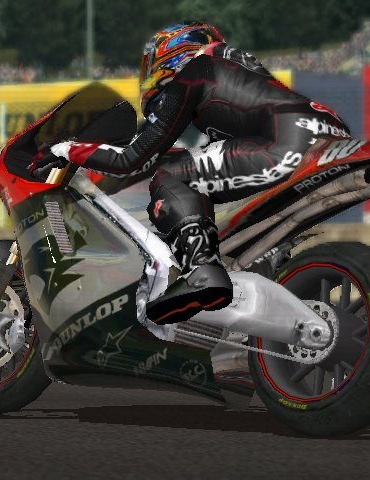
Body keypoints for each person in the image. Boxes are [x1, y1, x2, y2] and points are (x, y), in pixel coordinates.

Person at [40, 21, 351, 325]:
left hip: (286, 143)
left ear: (171, 56)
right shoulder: (236, 71)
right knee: (212, 186)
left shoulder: (194, 73)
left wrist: (65, 149)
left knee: (172, 176)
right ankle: (269, 273)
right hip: (325, 132)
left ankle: (201, 268)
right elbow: (225, 149)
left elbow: (131, 160)